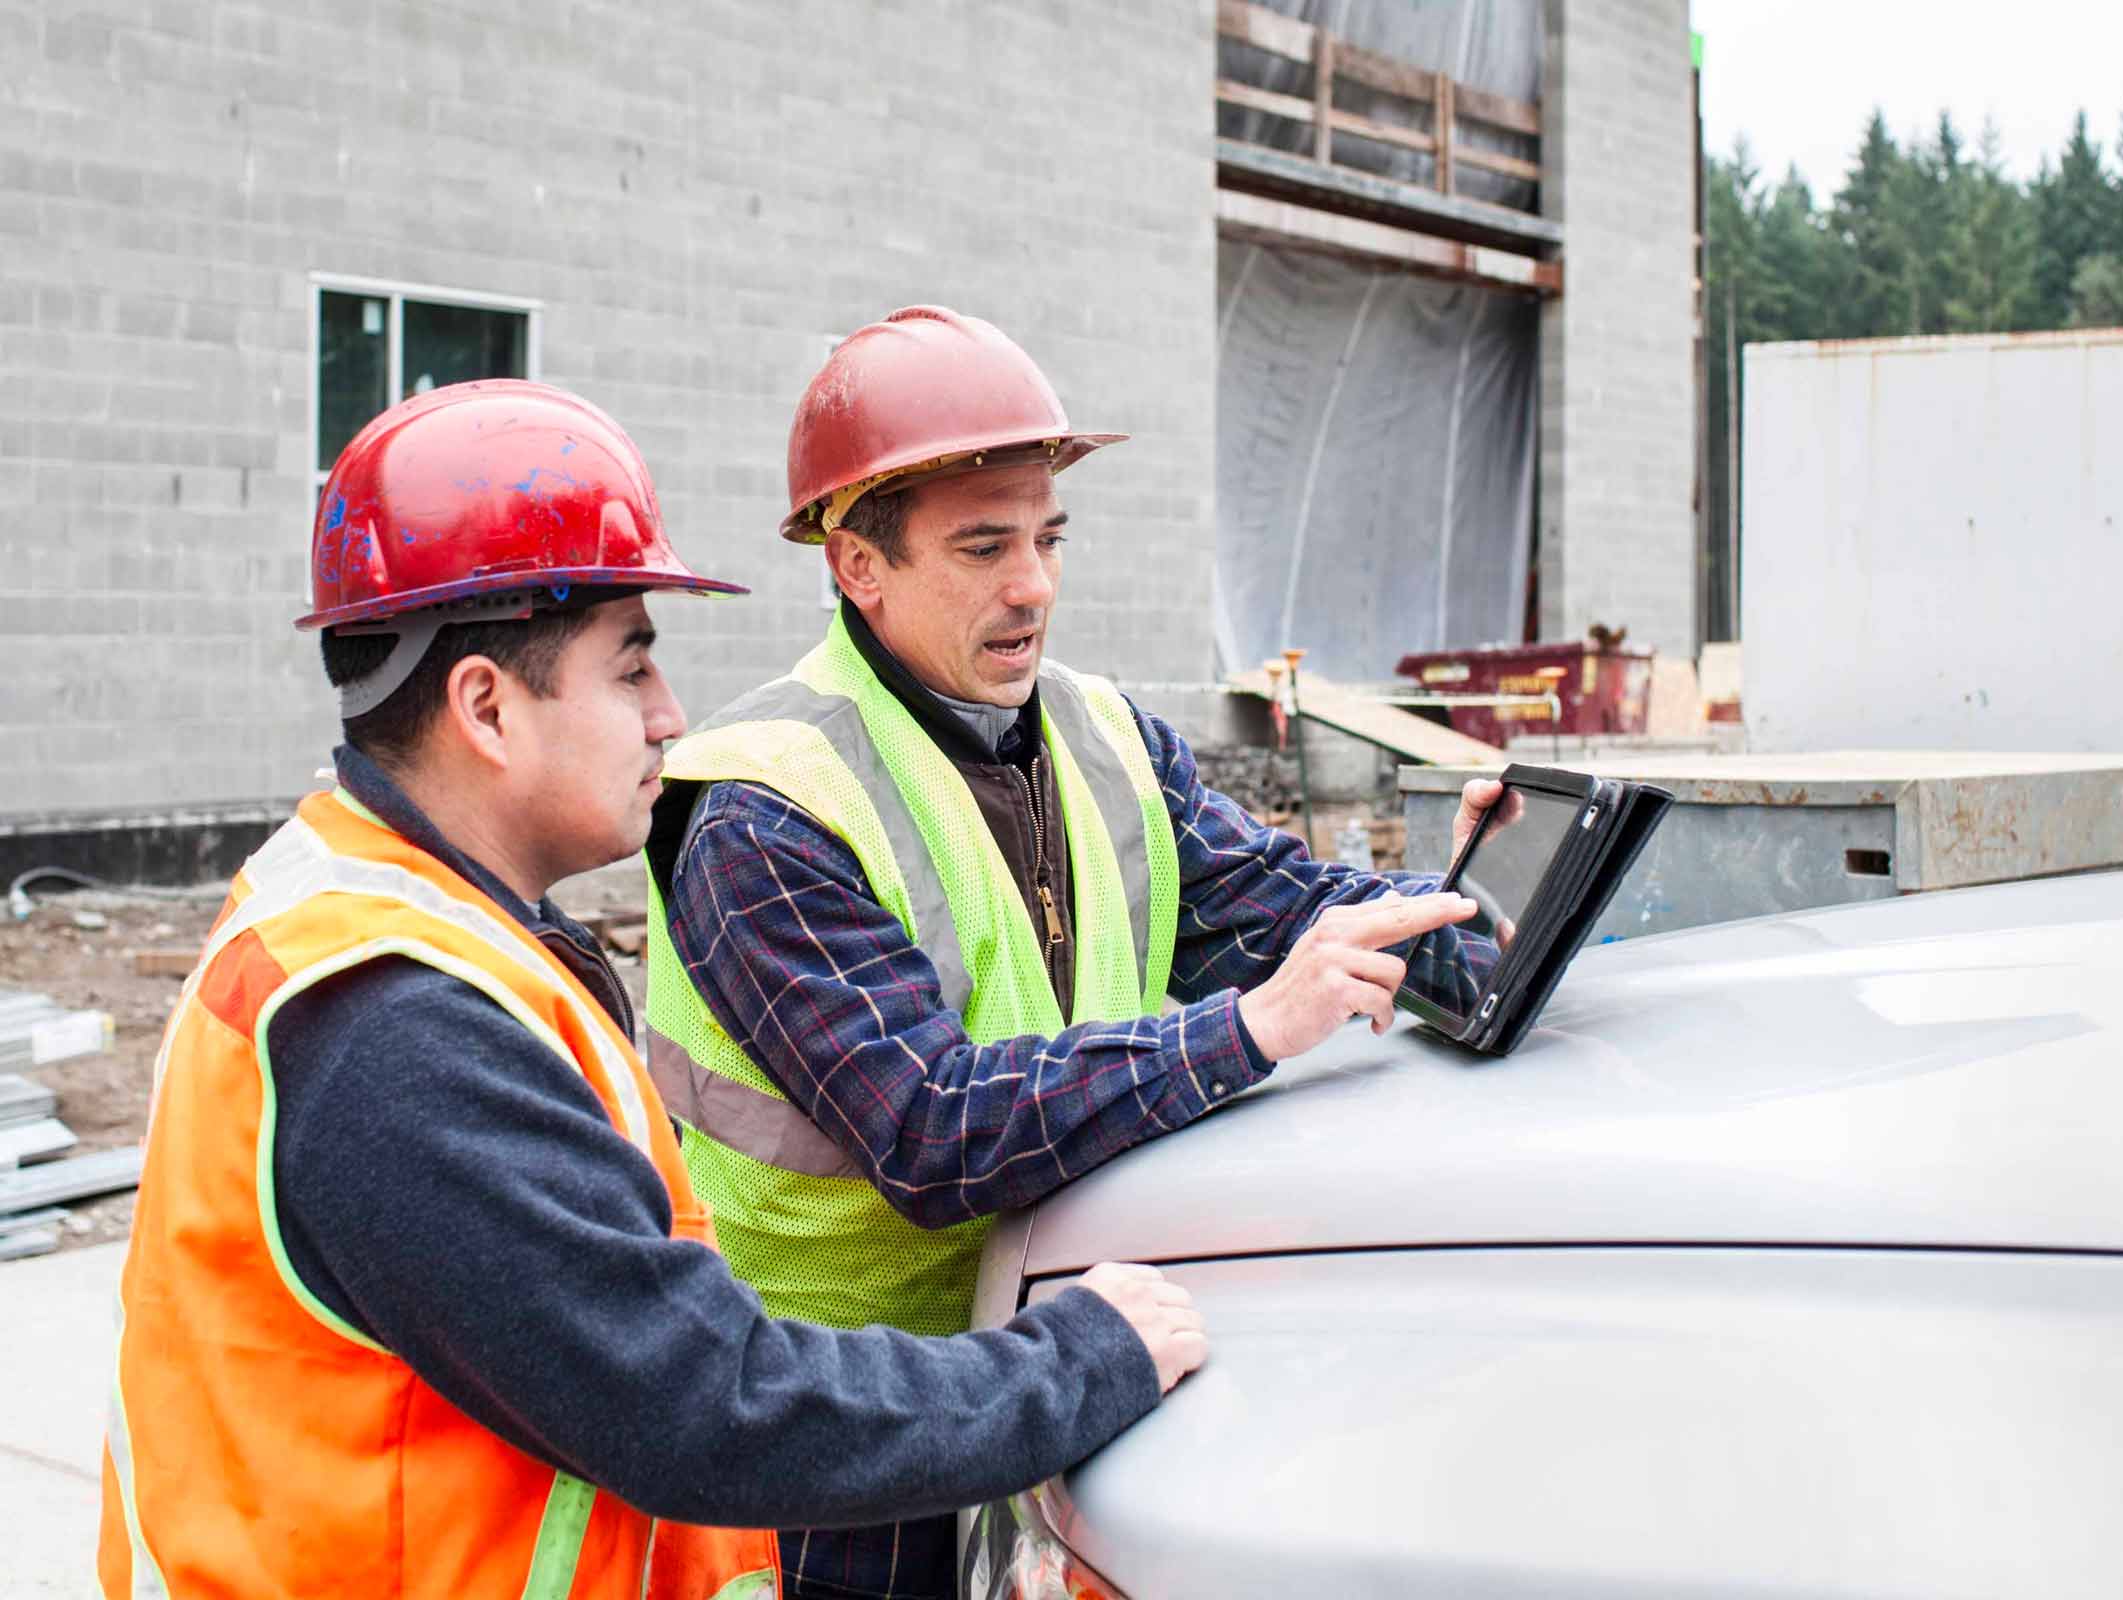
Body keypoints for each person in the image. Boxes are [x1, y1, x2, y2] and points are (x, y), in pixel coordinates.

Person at [97, 380, 1205, 1600]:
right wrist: (1081, 1361)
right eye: (632, 671)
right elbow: (706, 1404)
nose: (670, 717)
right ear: (485, 707)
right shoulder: (394, 1029)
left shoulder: (415, 924)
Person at [644, 306, 1495, 1599]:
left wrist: (1476, 922)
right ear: (858, 568)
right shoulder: (762, 811)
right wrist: (1251, 1029)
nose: (1033, 584)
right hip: (848, 1421)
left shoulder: (1104, 735)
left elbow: (1282, 906)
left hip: (1066, 1340)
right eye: (982, 546)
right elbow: (930, 1129)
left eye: (1047, 538)